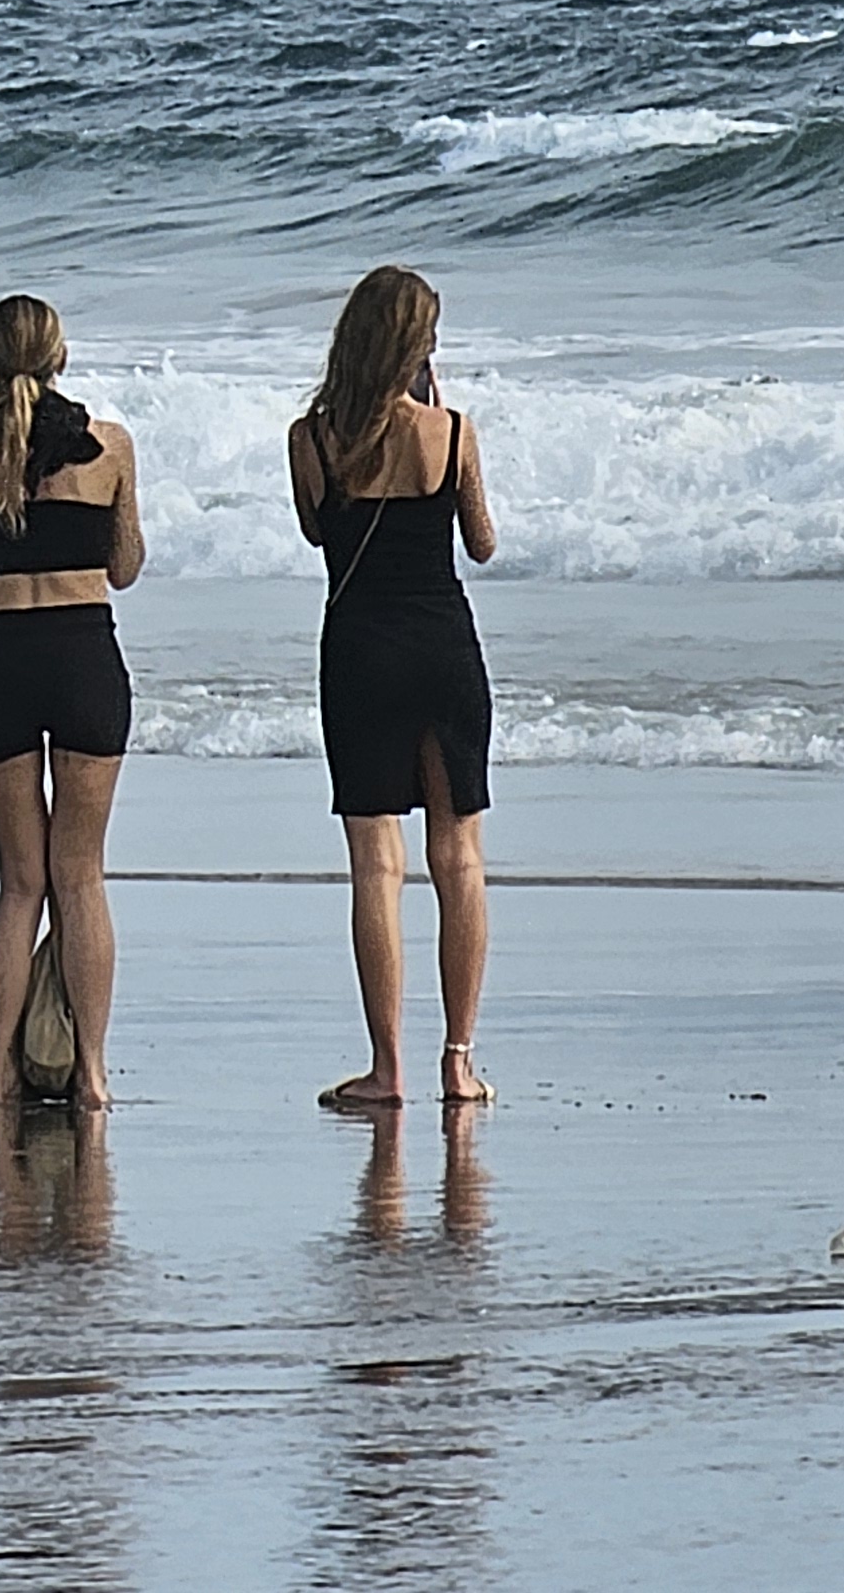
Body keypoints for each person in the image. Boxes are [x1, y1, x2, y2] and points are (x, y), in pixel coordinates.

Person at [286, 264, 500, 1112]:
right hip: (444, 645)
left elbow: (317, 532)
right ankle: (457, 1059)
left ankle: (387, 1068)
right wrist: (433, 409)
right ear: (420, 347)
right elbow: (480, 543)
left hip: (359, 651)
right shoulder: (451, 433)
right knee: (460, 857)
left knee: (376, 864)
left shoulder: (312, 439)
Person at [0, 294, 144, 1112]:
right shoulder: (109, 446)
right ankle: (89, 1072)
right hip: (85, 656)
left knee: (20, 884)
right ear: (61, 357)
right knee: (80, 878)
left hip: (0, 661)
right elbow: (125, 568)